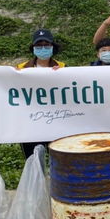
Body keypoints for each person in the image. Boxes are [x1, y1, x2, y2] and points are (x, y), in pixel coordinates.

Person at [16, 28, 65, 158]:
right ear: (33, 48)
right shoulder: (21, 68)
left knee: (58, 158)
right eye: (39, 45)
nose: (43, 48)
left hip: (56, 121)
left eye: (46, 45)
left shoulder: (62, 67)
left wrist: (62, 75)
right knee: (32, 160)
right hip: (31, 123)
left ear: (52, 47)